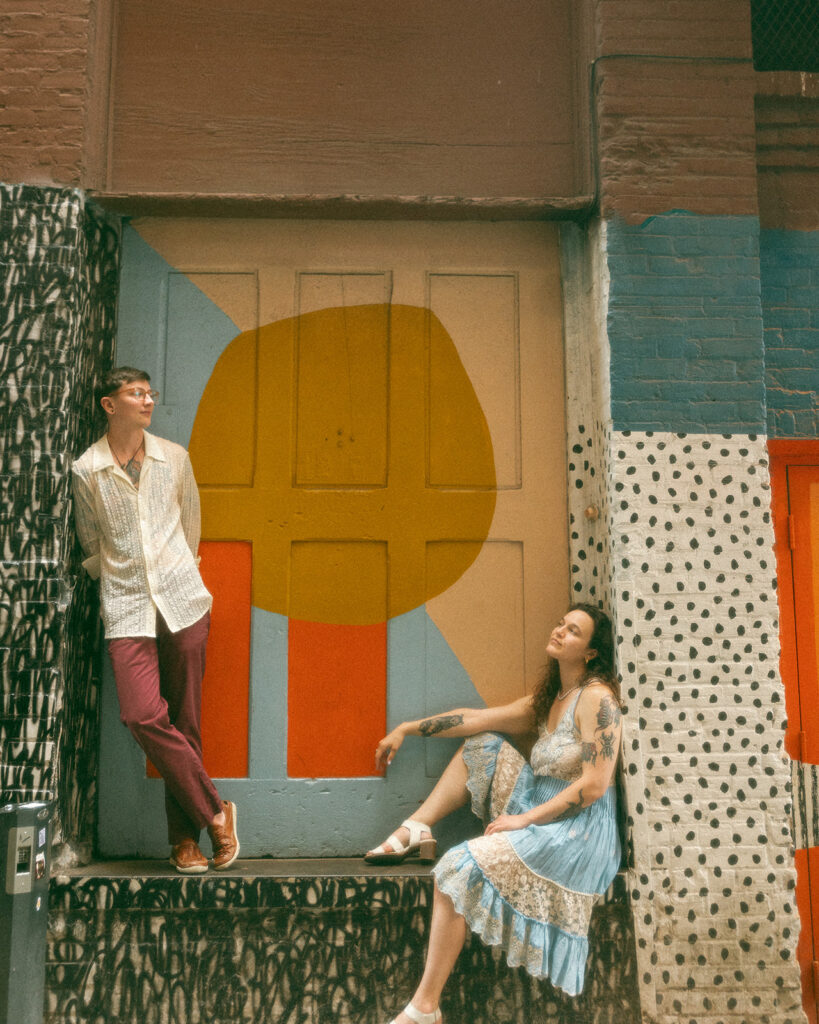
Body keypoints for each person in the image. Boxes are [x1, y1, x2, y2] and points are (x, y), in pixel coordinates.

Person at [365, 603, 623, 1024]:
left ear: (591, 652)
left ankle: (424, 1009)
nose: (560, 631)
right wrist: (408, 728)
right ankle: (416, 826)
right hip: (539, 803)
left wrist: (522, 820)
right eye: (561, 623)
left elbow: (594, 786)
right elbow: (475, 719)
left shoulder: (597, 698)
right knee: (483, 742)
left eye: (573, 631)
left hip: (577, 831)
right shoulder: (551, 697)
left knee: (458, 865)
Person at [71, 366, 240, 875]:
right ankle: (216, 810)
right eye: (135, 393)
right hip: (126, 607)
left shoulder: (175, 458)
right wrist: (126, 579)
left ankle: (183, 843)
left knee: (185, 722)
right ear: (109, 403)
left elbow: (190, 527)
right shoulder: (88, 470)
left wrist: (174, 574)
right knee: (142, 715)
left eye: (150, 393)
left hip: (183, 603)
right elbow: (90, 543)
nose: (147, 401)